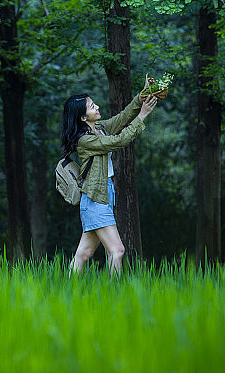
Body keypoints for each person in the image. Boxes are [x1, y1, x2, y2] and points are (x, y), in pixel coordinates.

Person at [60, 76, 159, 276]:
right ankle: (112, 296)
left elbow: (122, 118)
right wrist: (142, 116)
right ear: (83, 117)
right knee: (117, 251)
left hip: (103, 195)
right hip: (95, 199)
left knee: (84, 253)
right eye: (91, 106)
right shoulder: (85, 140)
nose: (96, 107)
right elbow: (119, 141)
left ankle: (66, 291)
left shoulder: (100, 129)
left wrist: (142, 96)